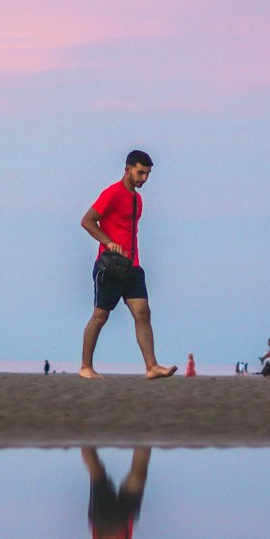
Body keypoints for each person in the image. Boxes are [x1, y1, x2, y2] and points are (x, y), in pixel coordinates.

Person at [79, 151, 177, 380]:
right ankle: (85, 366)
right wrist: (109, 242)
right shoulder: (112, 193)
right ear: (127, 169)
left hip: (132, 268)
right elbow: (87, 220)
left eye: (148, 174)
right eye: (140, 172)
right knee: (100, 316)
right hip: (110, 268)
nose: (144, 178)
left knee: (143, 314)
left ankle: (151, 366)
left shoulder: (137, 199)